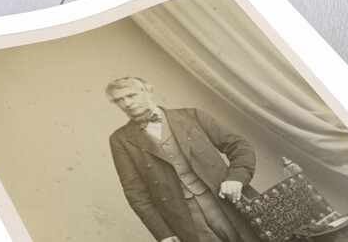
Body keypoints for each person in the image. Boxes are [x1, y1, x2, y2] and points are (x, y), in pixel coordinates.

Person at [108, 77, 260, 242]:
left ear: (149, 91)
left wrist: (236, 178)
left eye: (131, 95)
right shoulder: (120, 139)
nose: (127, 103)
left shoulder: (192, 116)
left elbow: (239, 146)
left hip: (225, 199)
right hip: (183, 217)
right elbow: (135, 192)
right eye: (119, 100)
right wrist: (163, 233)